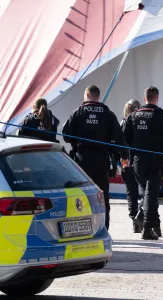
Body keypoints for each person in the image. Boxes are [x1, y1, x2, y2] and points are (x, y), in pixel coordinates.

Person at [62, 85, 127, 231]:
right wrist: (123, 156)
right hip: (101, 161)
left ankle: (81, 229)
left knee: (80, 198)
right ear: (98, 96)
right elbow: (119, 138)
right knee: (102, 197)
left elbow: (66, 135)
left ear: (86, 95)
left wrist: (78, 140)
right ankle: (103, 229)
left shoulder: (77, 113)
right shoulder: (108, 114)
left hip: (82, 161)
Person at [123, 86, 163, 240]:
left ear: (144, 98)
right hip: (155, 161)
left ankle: (156, 225)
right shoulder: (161, 117)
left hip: (138, 162)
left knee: (150, 194)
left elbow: (125, 140)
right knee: (150, 195)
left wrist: (126, 157)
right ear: (157, 98)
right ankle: (148, 228)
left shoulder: (133, 116)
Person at [119, 99, 142, 233]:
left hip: (127, 161)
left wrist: (121, 160)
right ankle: (139, 217)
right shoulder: (141, 123)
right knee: (146, 191)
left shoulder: (123, 123)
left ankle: (134, 218)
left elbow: (119, 143)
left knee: (131, 193)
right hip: (140, 160)